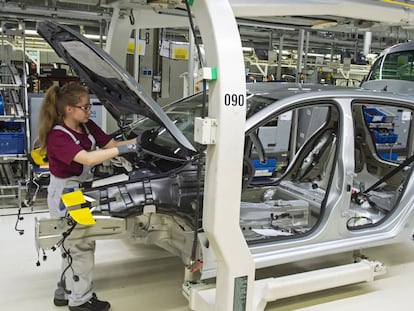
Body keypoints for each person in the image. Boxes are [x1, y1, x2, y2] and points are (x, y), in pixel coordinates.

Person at [37, 82, 138, 311]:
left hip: (80, 190)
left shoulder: (88, 126)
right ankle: (80, 300)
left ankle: (64, 290)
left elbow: (112, 144)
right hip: (66, 193)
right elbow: (90, 159)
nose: (89, 110)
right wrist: (126, 150)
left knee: (70, 244)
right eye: (85, 107)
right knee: (80, 244)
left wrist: (139, 143)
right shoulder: (58, 136)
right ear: (69, 109)